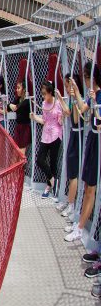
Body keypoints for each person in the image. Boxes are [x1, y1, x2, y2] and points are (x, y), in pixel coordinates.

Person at [65, 62, 101, 242]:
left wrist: (94, 102)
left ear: (91, 78)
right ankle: (80, 223)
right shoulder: (93, 95)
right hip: (91, 141)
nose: (85, 81)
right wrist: (77, 93)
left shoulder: (99, 95)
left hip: (98, 143)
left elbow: (98, 119)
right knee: (86, 185)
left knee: (91, 189)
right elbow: (82, 109)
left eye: (86, 77)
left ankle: (80, 228)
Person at [30, 81, 69, 198]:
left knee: (53, 161)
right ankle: (52, 179)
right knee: (39, 159)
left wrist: (61, 104)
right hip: (45, 134)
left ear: (50, 93)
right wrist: (34, 117)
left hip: (56, 135)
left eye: (44, 94)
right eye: (42, 94)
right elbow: (44, 120)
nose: (43, 96)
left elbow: (64, 115)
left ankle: (49, 187)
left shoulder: (57, 103)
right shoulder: (43, 103)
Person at [57, 75, 83, 216]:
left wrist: (72, 99)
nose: (67, 89)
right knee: (70, 170)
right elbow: (67, 113)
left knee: (73, 173)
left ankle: (72, 204)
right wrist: (61, 99)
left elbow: (74, 118)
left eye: (68, 86)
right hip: (74, 135)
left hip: (78, 136)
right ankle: (69, 200)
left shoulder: (79, 101)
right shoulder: (75, 100)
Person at [8, 81, 31, 156]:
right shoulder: (18, 99)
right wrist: (10, 105)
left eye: (18, 88)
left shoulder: (27, 101)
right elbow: (8, 107)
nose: (17, 90)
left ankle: (21, 167)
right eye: (16, 88)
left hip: (25, 127)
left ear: (24, 89)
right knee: (16, 149)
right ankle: (17, 167)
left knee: (22, 151)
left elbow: (16, 107)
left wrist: (13, 106)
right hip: (18, 126)